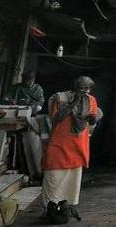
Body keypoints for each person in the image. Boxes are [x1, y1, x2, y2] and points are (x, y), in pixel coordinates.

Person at [41, 76, 101, 222]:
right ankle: (49, 208)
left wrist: (94, 119)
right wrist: (73, 103)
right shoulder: (60, 98)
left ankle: (69, 207)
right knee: (53, 178)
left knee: (73, 181)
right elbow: (56, 118)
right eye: (81, 88)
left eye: (87, 88)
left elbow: (92, 119)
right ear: (75, 87)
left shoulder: (91, 100)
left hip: (78, 146)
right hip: (59, 144)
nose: (84, 91)